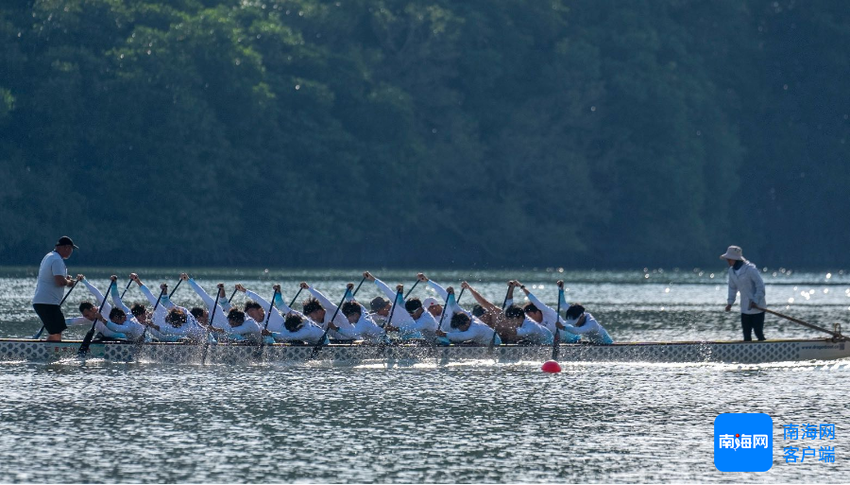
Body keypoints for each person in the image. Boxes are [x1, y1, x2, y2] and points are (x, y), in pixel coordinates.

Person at [32, 236, 79, 341]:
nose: (71, 252)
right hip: (47, 302)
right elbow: (60, 282)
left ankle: (47, 351)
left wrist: (65, 279)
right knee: (56, 331)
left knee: (57, 331)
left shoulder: (49, 256)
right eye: (71, 249)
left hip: (45, 302)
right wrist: (69, 282)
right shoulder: (57, 260)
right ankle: (48, 353)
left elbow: (56, 278)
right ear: (66, 247)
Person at [721, 245, 767, 341]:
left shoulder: (750, 270)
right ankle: (749, 353)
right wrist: (730, 303)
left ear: (736, 259)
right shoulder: (731, 271)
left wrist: (755, 300)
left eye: (729, 259)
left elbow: (760, 287)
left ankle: (765, 350)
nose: (728, 261)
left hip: (758, 307)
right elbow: (732, 288)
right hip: (745, 308)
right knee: (746, 335)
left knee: (758, 332)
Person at [436, 287, 501, 345]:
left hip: (495, 343)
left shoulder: (475, 328)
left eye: (460, 327)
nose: (459, 329)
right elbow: (454, 306)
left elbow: (461, 336)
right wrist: (451, 295)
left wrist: (445, 334)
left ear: (466, 323)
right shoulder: (468, 316)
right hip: (483, 341)